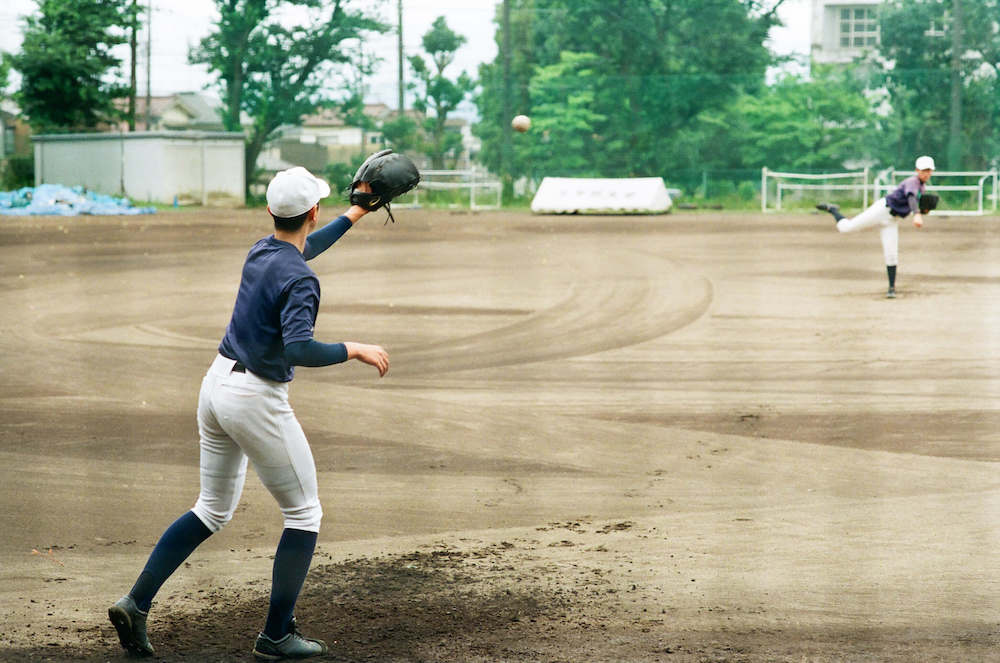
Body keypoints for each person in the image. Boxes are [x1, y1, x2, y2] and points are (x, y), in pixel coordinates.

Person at [108, 166, 390, 660]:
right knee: (304, 514)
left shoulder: (262, 250)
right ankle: (276, 635)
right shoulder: (301, 278)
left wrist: (355, 214)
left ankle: (136, 602)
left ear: (270, 212)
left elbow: (302, 247)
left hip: (215, 386)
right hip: (254, 400)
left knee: (211, 509)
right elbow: (299, 347)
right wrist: (354, 348)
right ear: (313, 211)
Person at [816, 155, 936, 298]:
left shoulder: (922, 187)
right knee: (846, 228)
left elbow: (910, 203)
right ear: (917, 170)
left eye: (929, 170)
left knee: (891, 254)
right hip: (881, 210)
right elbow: (910, 197)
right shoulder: (913, 182)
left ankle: (891, 289)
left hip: (892, 220)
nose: (926, 173)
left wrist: (923, 211)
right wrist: (917, 213)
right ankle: (833, 210)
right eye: (923, 170)